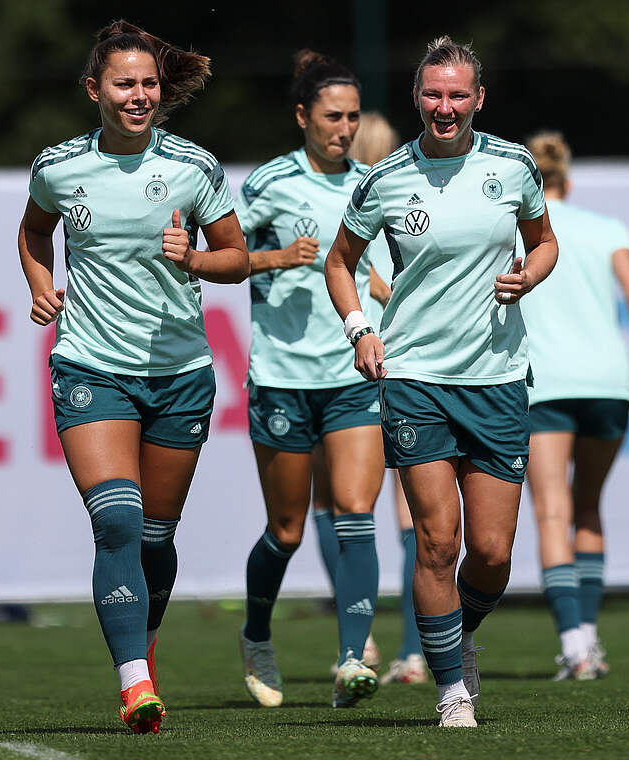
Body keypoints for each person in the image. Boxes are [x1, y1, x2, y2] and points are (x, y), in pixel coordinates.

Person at [18, 21, 248, 733]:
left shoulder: (194, 166)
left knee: (153, 536)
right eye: (125, 83)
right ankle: (135, 684)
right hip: (90, 365)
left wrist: (194, 259)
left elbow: (237, 258)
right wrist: (40, 282)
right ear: (96, 89)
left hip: (179, 374)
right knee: (115, 520)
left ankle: (139, 649)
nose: (140, 94)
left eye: (149, 82)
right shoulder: (58, 166)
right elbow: (33, 231)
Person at [324, 36, 558, 727]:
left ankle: (461, 635)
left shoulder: (513, 165)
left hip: (497, 377)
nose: (445, 107)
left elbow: (544, 242)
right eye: (433, 94)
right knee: (437, 542)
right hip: (416, 377)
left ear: (478, 99)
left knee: (490, 555)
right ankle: (452, 691)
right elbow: (340, 263)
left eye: (458, 95)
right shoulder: (385, 177)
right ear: (417, 97)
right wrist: (360, 330)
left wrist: (529, 274)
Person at [235, 51, 387, 709]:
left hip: (352, 375)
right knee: (289, 530)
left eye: (352, 116)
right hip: (281, 377)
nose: (344, 128)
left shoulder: (374, 184)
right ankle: (257, 633)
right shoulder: (269, 183)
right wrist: (275, 256)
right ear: (302, 116)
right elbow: (221, 260)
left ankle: (354, 656)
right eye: (332, 116)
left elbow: (382, 267)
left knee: (356, 513)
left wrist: (387, 289)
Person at [520, 131, 629, 680]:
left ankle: (574, 646)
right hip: (610, 384)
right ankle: (590, 637)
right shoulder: (608, 228)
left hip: (544, 385)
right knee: (587, 508)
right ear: (569, 177)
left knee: (550, 513)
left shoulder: (519, 232)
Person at [346, 110, 429, 686]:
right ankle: (413, 650)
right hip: (401, 365)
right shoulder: (405, 200)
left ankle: (362, 638)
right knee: (411, 516)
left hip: (358, 369)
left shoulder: (359, 204)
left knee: (349, 511)